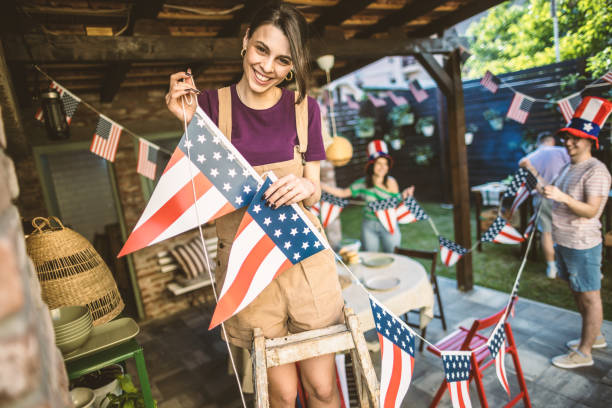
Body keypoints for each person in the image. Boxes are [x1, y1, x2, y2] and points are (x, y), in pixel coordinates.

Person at [165, 2, 344, 406]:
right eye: (261, 50)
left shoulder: (305, 109)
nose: (267, 66)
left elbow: (315, 188)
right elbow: (200, 190)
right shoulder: (209, 107)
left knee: (322, 387)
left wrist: (303, 187)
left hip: (304, 261)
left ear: (293, 66)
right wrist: (187, 124)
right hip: (249, 268)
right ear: (245, 40)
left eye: (283, 60)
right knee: (280, 393)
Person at [542, 96, 612, 369]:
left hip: (583, 244)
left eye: (576, 138)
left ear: (591, 141)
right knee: (578, 291)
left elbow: (591, 210)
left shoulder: (597, 170)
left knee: (590, 296)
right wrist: (547, 190)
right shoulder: (569, 167)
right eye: (567, 137)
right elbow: (561, 197)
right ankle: (593, 338)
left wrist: (562, 196)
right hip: (565, 241)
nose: (568, 143)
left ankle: (584, 353)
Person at [321, 140, 414, 253]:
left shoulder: (391, 182)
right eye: (378, 163)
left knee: (394, 255)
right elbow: (342, 193)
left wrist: (405, 196)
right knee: (369, 256)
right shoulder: (362, 183)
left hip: (389, 224)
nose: (382, 167)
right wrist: (320, 185)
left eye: (385, 164)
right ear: (371, 165)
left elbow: (397, 202)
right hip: (369, 225)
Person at [519, 131, 570, 278]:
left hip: (542, 197)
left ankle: (551, 267)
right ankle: (566, 265)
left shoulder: (530, 157)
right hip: (563, 195)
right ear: (552, 141)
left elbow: (525, 173)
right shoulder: (562, 151)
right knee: (566, 230)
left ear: (538, 142)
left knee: (546, 232)